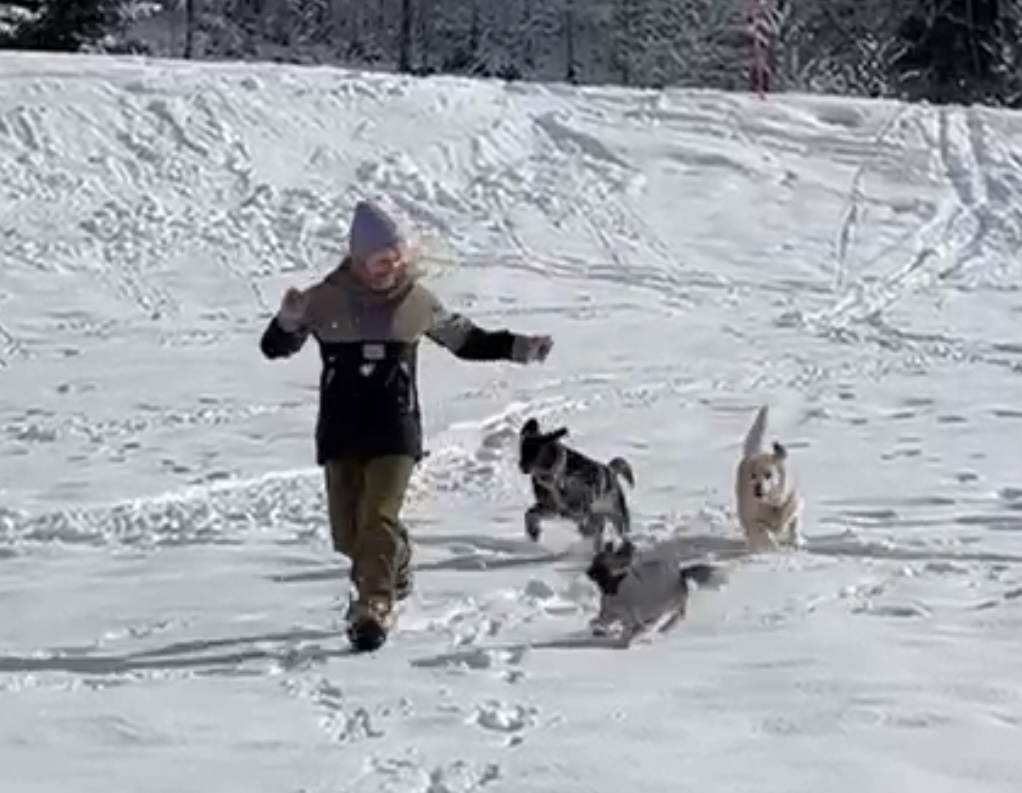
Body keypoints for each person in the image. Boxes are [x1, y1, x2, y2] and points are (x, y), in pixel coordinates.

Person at [259, 199, 553, 649]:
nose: (389, 268)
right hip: (341, 430)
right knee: (348, 535)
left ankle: (373, 608)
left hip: (395, 429)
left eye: (396, 259)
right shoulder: (323, 299)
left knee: (377, 519)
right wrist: (288, 321)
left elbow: (466, 340)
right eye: (380, 260)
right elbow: (274, 348)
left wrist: (519, 347)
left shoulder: (415, 302)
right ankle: (395, 561)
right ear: (357, 258)